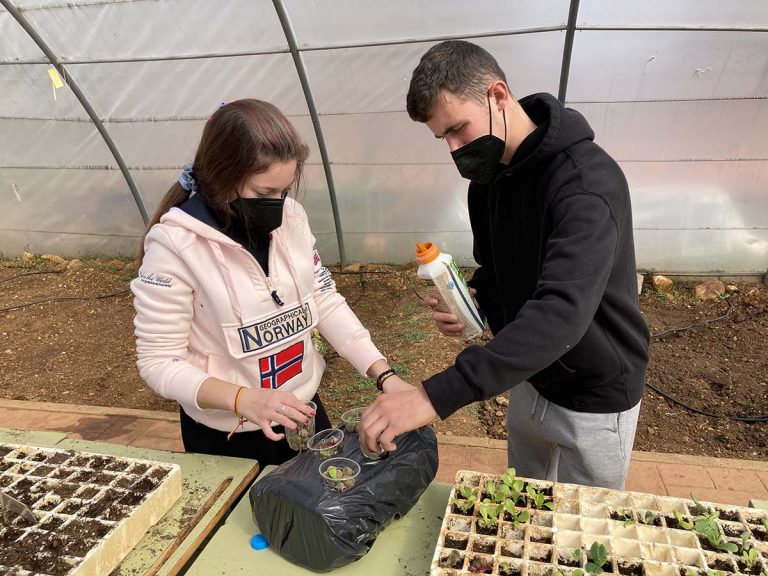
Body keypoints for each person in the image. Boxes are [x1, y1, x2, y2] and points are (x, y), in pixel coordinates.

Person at [359, 41, 650, 489]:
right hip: (528, 376)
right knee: (524, 503)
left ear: (497, 95)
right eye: (443, 139)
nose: (455, 150)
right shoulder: (487, 182)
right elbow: (495, 269)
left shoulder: (586, 183)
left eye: (459, 129)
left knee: (586, 519)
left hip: (595, 391)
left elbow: (561, 312)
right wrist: (474, 302)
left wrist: (434, 397)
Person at [132, 99, 413, 467]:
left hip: (303, 412)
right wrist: (243, 399)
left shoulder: (292, 218)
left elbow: (323, 298)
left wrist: (383, 373)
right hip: (230, 435)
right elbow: (158, 361)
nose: (278, 205)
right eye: (264, 194)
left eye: (284, 191)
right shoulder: (175, 246)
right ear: (221, 177)